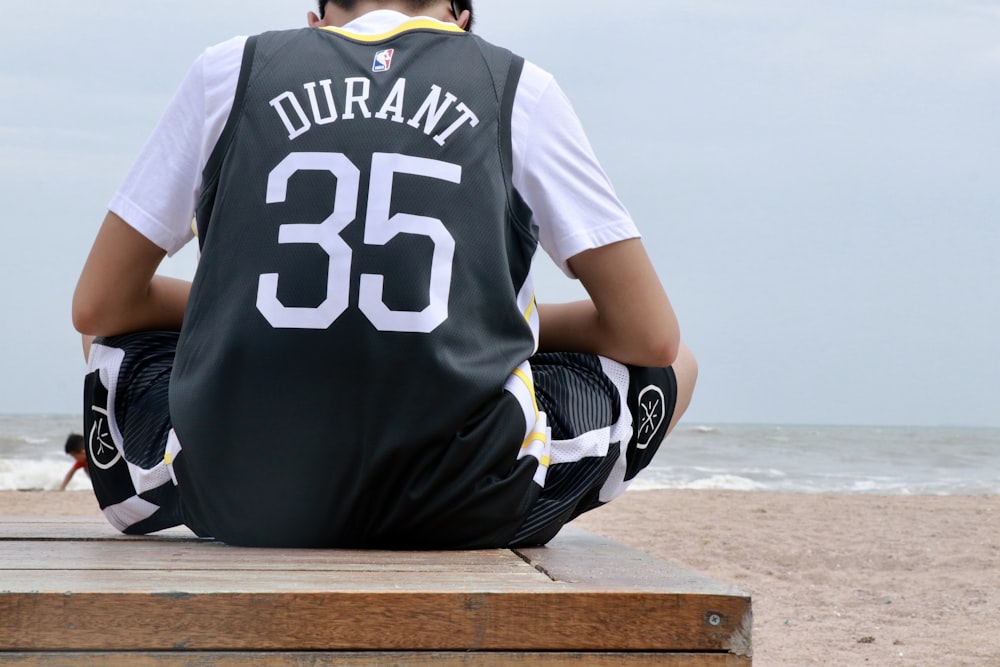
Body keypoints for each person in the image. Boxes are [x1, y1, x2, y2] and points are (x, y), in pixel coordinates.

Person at [72, 0, 697, 548]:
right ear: (461, 22)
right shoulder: (515, 85)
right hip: (457, 504)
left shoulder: (230, 70)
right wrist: (494, 324)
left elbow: (99, 306)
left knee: (109, 338)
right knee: (677, 366)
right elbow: (651, 338)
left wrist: (228, 307)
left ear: (315, 22)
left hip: (243, 497)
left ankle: (148, 488)